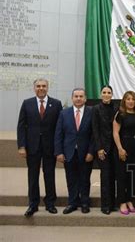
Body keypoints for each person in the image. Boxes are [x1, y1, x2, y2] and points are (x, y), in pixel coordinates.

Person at [17, 78, 62, 217]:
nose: (41, 88)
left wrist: (58, 148)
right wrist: (22, 146)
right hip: (32, 147)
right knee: (33, 176)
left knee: (49, 175)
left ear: (48, 88)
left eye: (43, 86)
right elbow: (21, 126)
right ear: (34, 88)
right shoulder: (27, 103)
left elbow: (59, 128)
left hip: (50, 147)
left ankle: (50, 203)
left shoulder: (56, 104)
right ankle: (33, 204)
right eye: (38, 86)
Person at [54, 88, 94, 214]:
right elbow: (58, 134)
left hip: (85, 153)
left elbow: (94, 135)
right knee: (71, 179)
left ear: (85, 98)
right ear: (72, 98)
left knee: (85, 179)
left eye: (81, 96)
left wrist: (91, 152)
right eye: (76, 96)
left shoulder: (91, 112)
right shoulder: (64, 113)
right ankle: (72, 203)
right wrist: (59, 152)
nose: (78, 98)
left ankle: (85, 203)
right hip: (68, 152)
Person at [113, 91, 135, 215]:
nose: (130, 101)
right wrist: (120, 148)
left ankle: (130, 200)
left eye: (133, 99)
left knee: (133, 177)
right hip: (123, 147)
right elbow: (115, 133)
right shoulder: (120, 114)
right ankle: (122, 202)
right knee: (122, 176)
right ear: (124, 101)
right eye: (128, 99)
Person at [92, 85, 118, 215]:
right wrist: (99, 148)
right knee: (105, 176)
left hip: (115, 148)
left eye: (109, 92)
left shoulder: (116, 107)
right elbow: (95, 130)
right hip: (103, 148)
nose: (106, 94)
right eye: (104, 92)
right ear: (101, 94)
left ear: (112, 94)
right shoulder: (96, 109)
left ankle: (113, 204)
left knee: (114, 176)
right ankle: (105, 205)